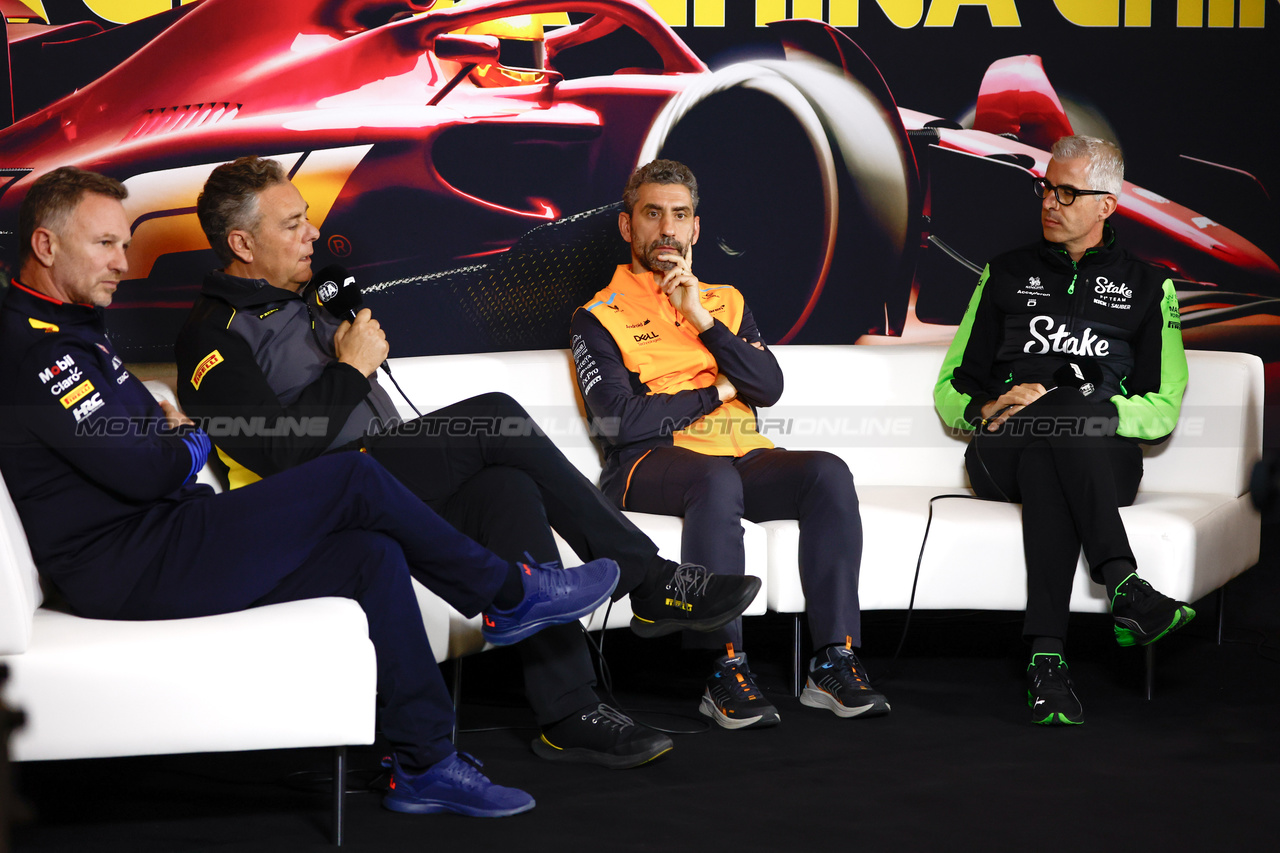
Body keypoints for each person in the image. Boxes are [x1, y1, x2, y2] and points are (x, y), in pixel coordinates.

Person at [0, 166, 625, 817]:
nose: (124, 264)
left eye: (124, 244)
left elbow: (140, 450)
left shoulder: (70, 333)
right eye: (105, 245)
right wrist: (187, 445)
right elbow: (144, 468)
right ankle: (508, 592)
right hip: (130, 562)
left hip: (164, 537)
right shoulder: (37, 353)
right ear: (46, 246)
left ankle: (424, 761)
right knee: (353, 476)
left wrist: (167, 442)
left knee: (369, 553)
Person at [174, 156, 762, 768]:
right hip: (320, 501)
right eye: (292, 224)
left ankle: (570, 713)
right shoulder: (210, 335)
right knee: (498, 417)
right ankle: (648, 578)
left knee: (506, 487)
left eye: (307, 221)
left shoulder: (309, 300)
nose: (312, 234)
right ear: (241, 242)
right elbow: (276, 451)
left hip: (385, 483)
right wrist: (349, 369)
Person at [569, 159, 890, 730]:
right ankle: (724, 668)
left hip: (741, 457)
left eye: (680, 215)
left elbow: (768, 386)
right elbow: (621, 421)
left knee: (828, 472)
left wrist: (703, 322)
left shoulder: (726, 301)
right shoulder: (598, 316)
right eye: (652, 214)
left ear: (695, 228)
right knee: (711, 478)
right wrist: (718, 388)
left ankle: (833, 660)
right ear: (627, 227)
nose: (666, 229)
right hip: (645, 466)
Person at [933, 135, 1194, 726]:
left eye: (1068, 192)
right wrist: (992, 404)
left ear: (1107, 204)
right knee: (1052, 433)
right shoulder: (1005, 273)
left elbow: (1162, 407)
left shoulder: (1150, 287)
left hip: (1098, 457)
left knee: (1059, 444)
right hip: (1003, 448)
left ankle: (1045, 661)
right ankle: (1125, 587)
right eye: (1046, 187)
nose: (1050, 202)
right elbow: (951, 386)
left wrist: (1086, 407)